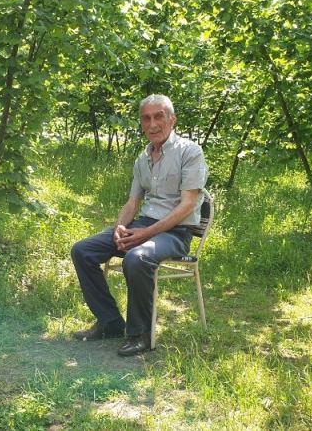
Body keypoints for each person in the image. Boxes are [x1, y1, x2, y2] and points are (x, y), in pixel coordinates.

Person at [70, 94, 208, 356]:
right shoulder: (142, 158)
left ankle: (141, 334)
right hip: (143, 226)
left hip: (175, 233)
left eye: (159, 116)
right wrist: (120, 228)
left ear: (172, 119)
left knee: (137, 258)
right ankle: (110, 323)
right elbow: (133, 202)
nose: (152, 124)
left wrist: (146, 234)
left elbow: (188, 205)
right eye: (146, 118)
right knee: (83, 250)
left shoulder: (190, 152)